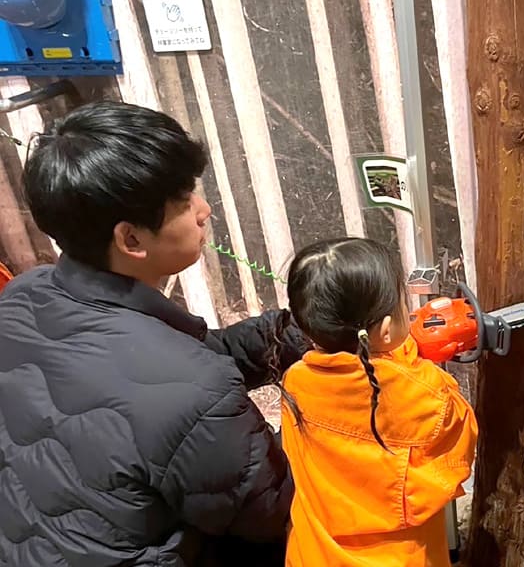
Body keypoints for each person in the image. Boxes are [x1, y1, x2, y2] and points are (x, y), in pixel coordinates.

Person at [0, 101, 307, 567]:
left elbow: (173, 370)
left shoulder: (25, 294)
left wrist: (296, 333)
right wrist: (334, 404)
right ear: (131, 240)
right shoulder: (197, 393)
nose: (204, 210)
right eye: (185, 202)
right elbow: (269, 507)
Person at [273, 237, 478, 566]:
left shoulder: (296, 382)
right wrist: (418, 366)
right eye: (403, 305)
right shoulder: (425, 393)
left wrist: (396, 354)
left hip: (315, 554)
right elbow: (458, 454)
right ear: (384, 331)